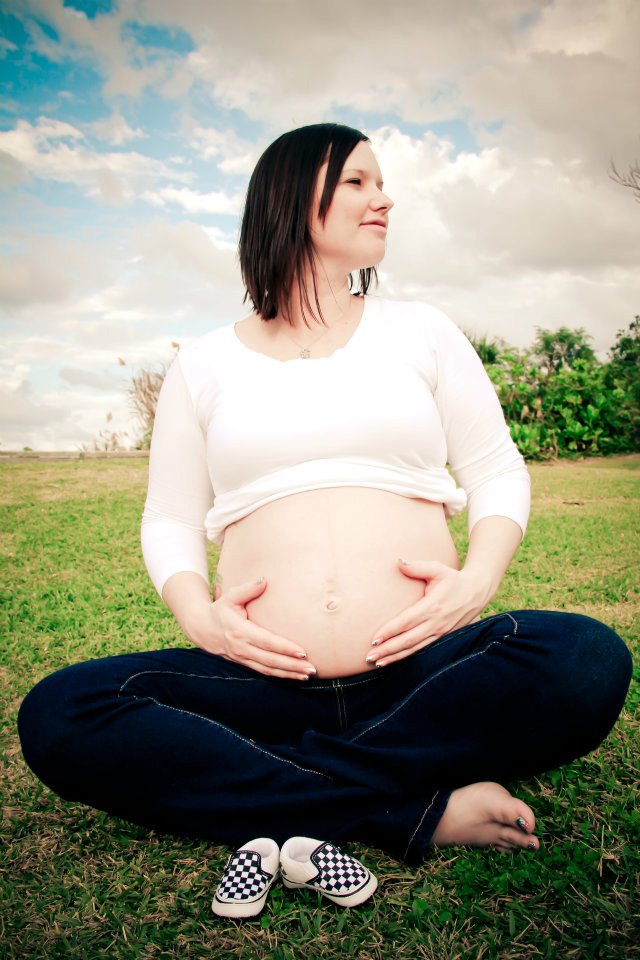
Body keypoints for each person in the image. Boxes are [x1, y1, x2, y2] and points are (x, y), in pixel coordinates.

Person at [18, 123, 632, 865]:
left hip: (422, 672)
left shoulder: (422, 331)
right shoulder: (203, 364)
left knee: (586, 657)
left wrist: (475, 583)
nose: (384, 199)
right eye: (358, 182)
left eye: (382, 183)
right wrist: (201, 620)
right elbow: (171, 516)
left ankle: (279, 779)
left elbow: (497, 469)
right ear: (292, 197)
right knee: (60, 713)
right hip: (262, 682)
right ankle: (404, 809)